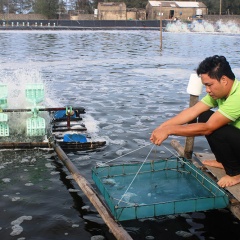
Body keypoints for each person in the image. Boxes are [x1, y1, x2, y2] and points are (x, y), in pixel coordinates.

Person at [150, 55, 240, 188]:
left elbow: (208, 128)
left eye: (209, 85)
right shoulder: (220, 92)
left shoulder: (237, 96)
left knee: (214, 126)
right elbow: (192, 111)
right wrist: (161, 128)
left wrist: (169, 130)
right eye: (205, 86)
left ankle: (236, 173)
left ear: (224, 80)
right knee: (204, 115)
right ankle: (223, 162)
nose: (207, 90)